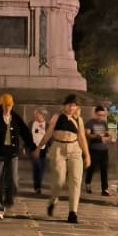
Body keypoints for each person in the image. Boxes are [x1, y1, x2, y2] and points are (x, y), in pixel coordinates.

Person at [36, 95, 90, 223]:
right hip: (58, 148)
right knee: (59, 181)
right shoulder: (57, 117)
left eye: (74, 105)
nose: (71, 108)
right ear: (64, 106)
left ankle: (73, 212)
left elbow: (82, 137)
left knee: (76, 181)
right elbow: (49, 133)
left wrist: (87, 155)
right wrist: (39, 147)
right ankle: (53, 201)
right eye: (69, 105)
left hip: (75, 149)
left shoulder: (78, 119)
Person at [0, 93, 35, 219]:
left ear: (12, 105)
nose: (7, 108)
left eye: (9, 105)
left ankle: (8, 199)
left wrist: (31, 146)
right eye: (5, 105)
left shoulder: (15, 117)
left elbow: (25, 132)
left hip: (12, 154)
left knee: (13, 181)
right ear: (1, 105)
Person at [84, 105, 111, 196]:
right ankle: (88, 183)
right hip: (94, 149)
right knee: (91, 168)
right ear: (95, 114)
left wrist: (107, 138)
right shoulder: (90, 123)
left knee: (104, 169)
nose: (101, 117)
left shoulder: (104, 123)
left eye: (102, 115)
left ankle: (105, 189)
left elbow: (108, 134)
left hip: (104, 149)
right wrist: (98, 137)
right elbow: (87, 135)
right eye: (99, 115)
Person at [30, 109, 48, 194]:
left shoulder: (47, 125)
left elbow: (50, 137)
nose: (36, 116)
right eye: (35, 115)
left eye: (38, 115)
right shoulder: (31, 124)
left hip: (43, 149)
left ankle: (38, 184)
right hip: (34, 148)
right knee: (36, 167)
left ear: (43, 116)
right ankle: (37, 186)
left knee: (42, 168)